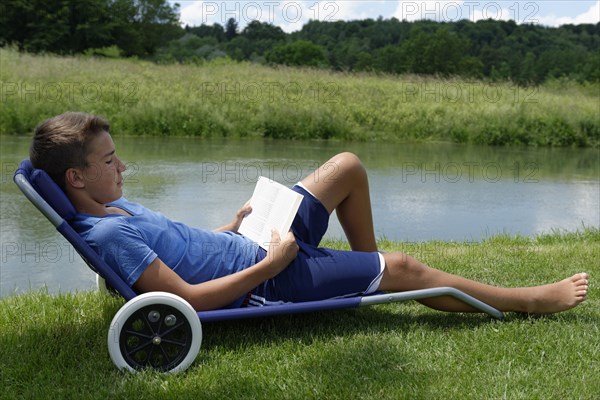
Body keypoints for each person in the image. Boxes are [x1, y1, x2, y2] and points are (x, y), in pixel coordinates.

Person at [29, 112, 589, 314]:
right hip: (266, 280)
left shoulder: (111, 205)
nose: (123, 166)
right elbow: (190, 302)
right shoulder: (108, 232)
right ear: (74, 177)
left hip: (252, 242)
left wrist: (234, 222)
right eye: (109, 160)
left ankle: (367, 272)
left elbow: (180, 248)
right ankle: (529, 301)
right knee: (409, 267)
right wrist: (271, 266)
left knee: (346, 166)